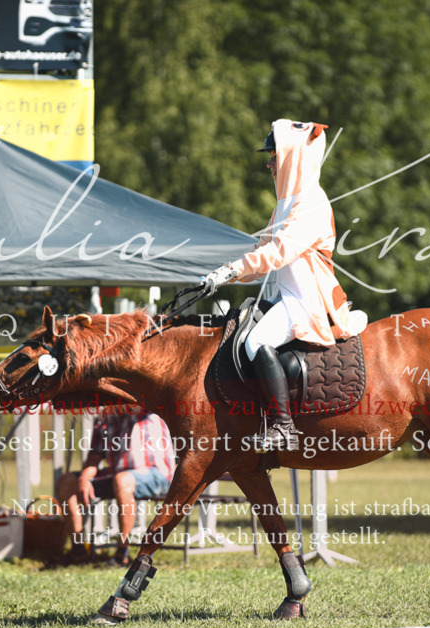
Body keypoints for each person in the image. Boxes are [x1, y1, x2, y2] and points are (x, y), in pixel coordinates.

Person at [202, 119, 368, 452]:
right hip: (285, 296)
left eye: (274, 156)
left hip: (308, 300)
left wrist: (231, 271)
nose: (269, 163)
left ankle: (283, 426)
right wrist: (225, 274)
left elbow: (279, 252)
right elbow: (261, 254)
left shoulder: (311, 203)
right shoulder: (285, 204)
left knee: (255, 341)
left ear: (292, 157)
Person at [56, 410, 176, 566]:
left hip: (156, 475)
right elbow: (94, 458)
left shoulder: (148, 408)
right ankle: (78, 551)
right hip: (118, 476)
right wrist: (84, 479)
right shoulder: (104, 419)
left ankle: (122, 553)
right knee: (66, 482)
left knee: (122, 480)